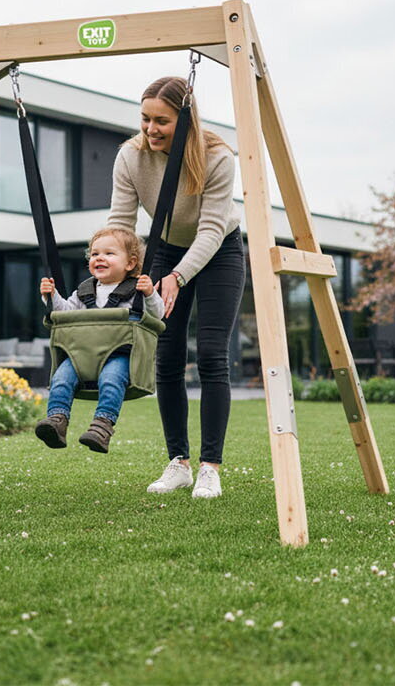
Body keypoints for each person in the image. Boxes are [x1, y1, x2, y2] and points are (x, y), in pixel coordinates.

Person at [108, 76, 244, 500]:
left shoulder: (217, 156)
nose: (150, 129)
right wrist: (115, 271)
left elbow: (211, 230)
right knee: (166, 356)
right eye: (145, 119)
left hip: (219, 250)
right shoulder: (131, 157)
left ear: (185, 120)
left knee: (211, 354)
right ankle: (179, 464)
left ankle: (209, 468)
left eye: (162, 121)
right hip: (164, 249)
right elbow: (121, 224)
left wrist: (178, 277)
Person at [35, 226, 164, 454]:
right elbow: (64, 313)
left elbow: (157, 315)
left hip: (119, 355)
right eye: (95, 254)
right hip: (81, 355)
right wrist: (51, 296)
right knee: (61, 378)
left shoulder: (137, 291)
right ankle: (56, 420)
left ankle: (102, 427)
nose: (99, 258)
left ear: (130, 263)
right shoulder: (84, 291)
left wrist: (150, 294)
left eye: (109, 253)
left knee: (111, 380)